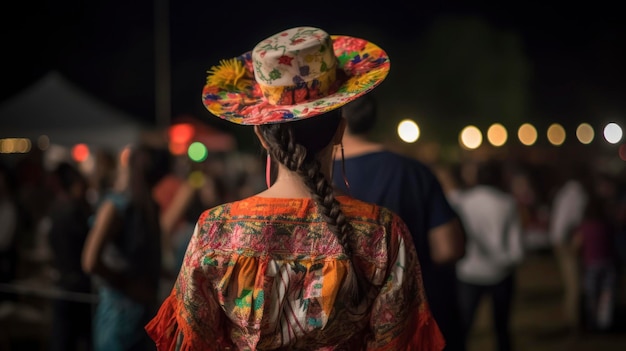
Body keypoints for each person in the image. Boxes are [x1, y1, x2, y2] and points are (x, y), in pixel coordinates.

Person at [146, 26, 445, 350]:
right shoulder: (383, 234)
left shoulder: (215, 231)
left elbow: (193, 342)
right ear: (340, 131)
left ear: (262, 136)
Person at [333, 94, 467, 351]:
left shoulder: (316, 176)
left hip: (349, 328)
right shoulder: (414, 171)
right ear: (373, 117)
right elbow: (448, 248)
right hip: (415, 323)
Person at [82, 145, 168, 351]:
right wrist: (126, 284)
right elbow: (90, 261)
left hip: (146, 315)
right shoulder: (116, 206)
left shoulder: (148, 206)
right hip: (119, 314)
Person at [453, 159, 524, 351]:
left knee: (463, 327)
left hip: (468, 271)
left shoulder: (461, 202)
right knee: (502, 327)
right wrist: (507, 260)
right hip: (501, 273)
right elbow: (516, 246)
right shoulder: (507, 203)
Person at [47, 162, 94, 351]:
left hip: (63, 280)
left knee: (63, 338)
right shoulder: (75, 210)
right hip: (77, 282)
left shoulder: (57, 207)